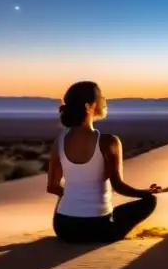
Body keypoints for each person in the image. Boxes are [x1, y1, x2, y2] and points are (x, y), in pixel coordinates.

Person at [47, 81, 160, 243]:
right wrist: (145, 193)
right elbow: (118, 186)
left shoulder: (59, 141)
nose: (104, 100)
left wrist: (74, 196)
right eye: (100, 97)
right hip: (99, 229)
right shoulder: (108, 141)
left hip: (64, 228)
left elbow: (52, 187)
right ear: (88, 106)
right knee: (150, 201)